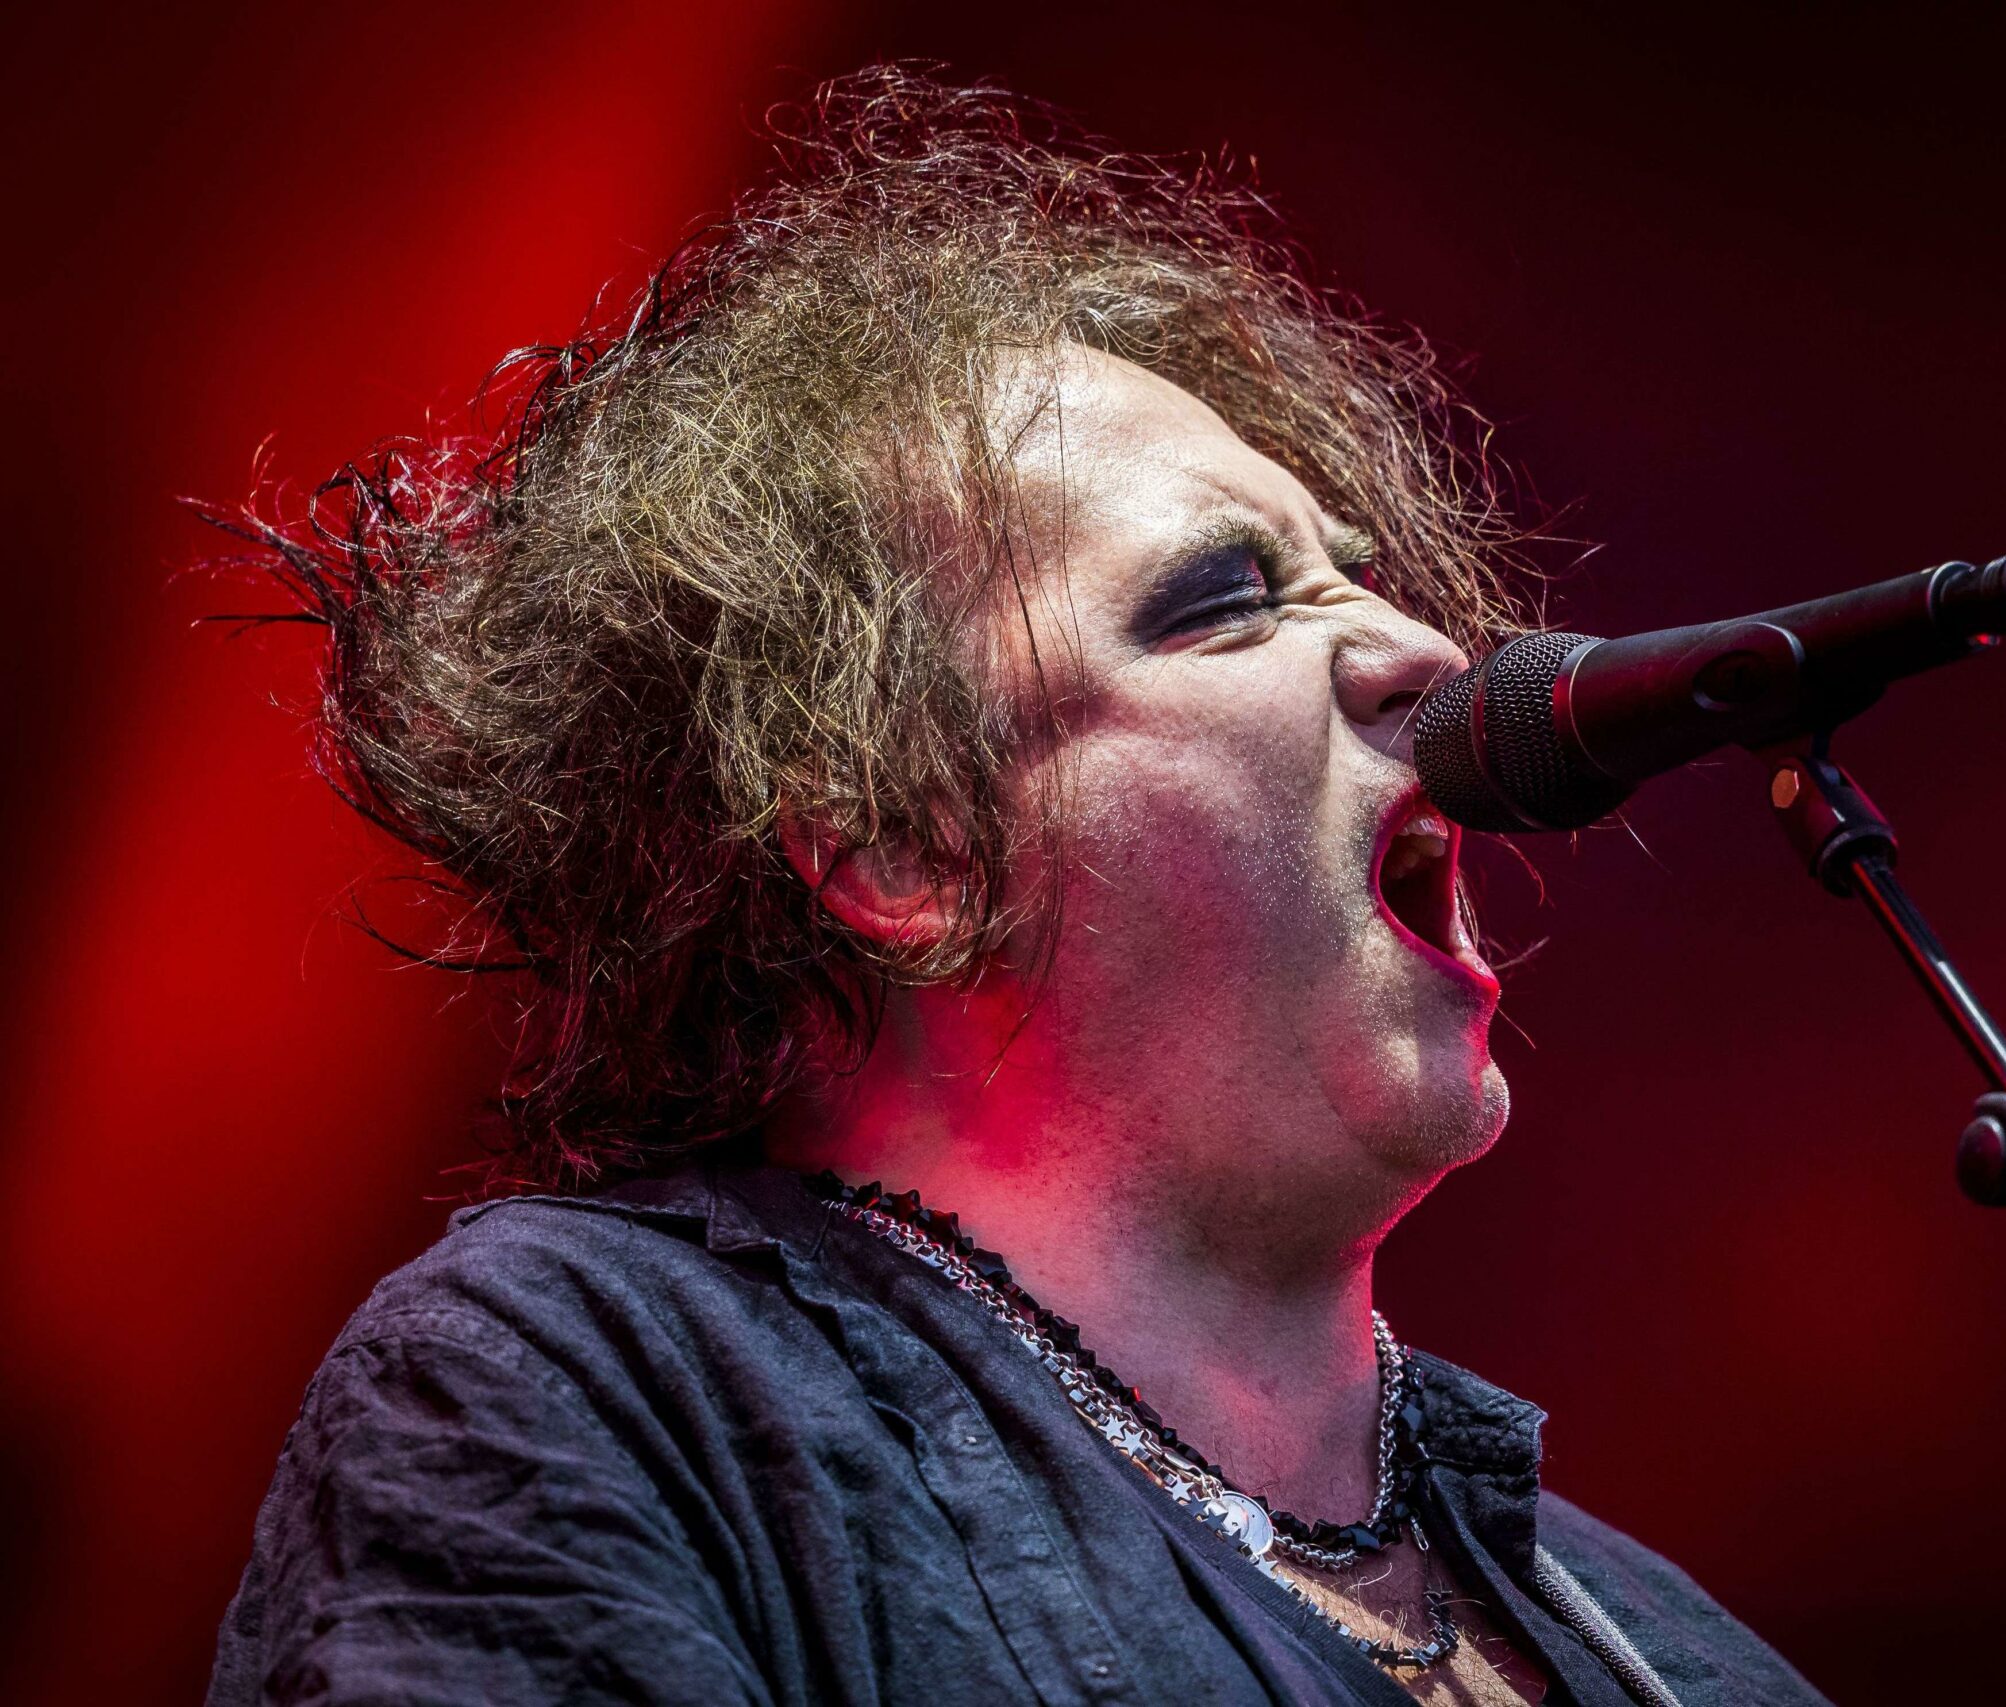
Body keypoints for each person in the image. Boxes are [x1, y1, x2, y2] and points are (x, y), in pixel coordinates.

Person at [205, 69, 1830, 1707]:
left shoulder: (1671, 1643)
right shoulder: (587, 1388)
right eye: (1227, 599)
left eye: (1361, 573)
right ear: (900, 848)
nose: (1422, 648)